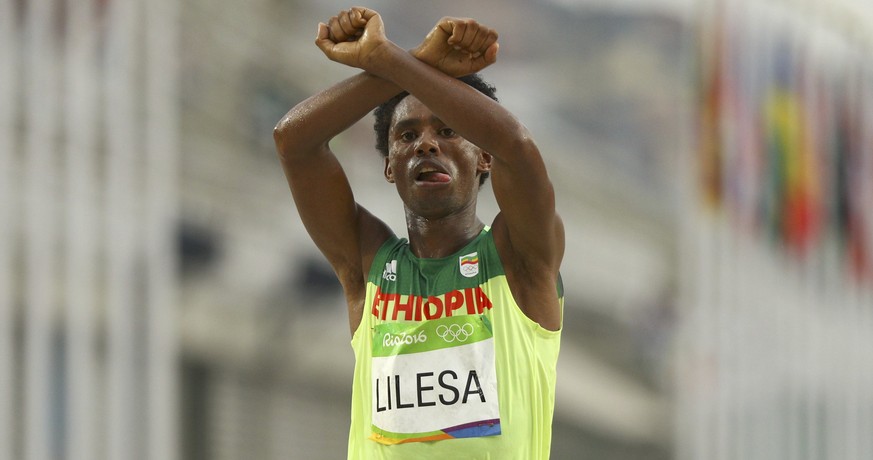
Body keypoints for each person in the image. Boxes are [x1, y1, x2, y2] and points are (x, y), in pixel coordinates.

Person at [273, 7, 564, 459]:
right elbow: (294, 141)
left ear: (484, 158)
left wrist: (390, 61)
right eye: (406, 136)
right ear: (390, 167)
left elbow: (519, 148)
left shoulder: (518, 256)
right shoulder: (367, 265)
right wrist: (411, 60)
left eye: (448, 131)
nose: (426, 144)